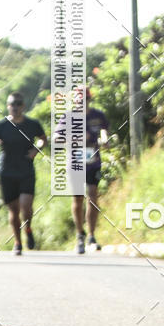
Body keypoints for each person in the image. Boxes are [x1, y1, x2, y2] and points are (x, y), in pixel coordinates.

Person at [0, 92, 47, 255]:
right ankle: (18, 242)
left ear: (23, 106)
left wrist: (35, 149)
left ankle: (28, 228)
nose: (15, 107)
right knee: (13, 210)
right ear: (8, 106)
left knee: (26, 206)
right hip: (7, 172)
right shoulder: (0, 126)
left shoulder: (32, 124)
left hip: (26, 170)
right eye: (12, 104)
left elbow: (43, 138)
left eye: (18, 104)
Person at [70, 87, 109, 254]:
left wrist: (105, 140)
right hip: (76, 162)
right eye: (79, 101)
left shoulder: (98, 115)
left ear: (89, 99)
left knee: (93, 196)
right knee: (78, 198)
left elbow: (104, 131)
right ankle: (80, 234)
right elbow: (58, 136)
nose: (82, 103)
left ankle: (92, 236)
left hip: (93, 161)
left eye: (84, 100)